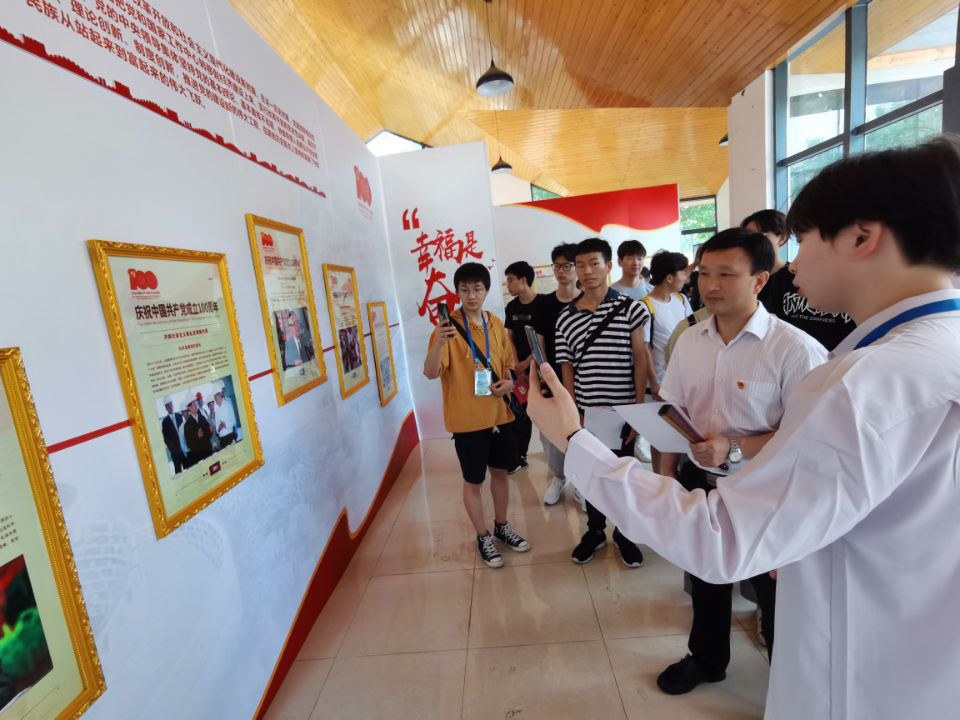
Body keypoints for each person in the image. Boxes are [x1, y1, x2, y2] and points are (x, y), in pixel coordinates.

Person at [527, 135, 960, 719]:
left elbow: (720, 538)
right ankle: (708, 658)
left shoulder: (863, 383)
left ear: (862, 237)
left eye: (802, 240)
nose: (791, 263)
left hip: (860, 683)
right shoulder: (928, 352)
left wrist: (573, 440)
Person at [656, 228, 827, 694]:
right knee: (706, 574)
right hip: (701, 482)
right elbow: (675, 410)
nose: (710, 285)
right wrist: (667, 474)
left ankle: (790, 682)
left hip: (766, 489)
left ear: (759, 280)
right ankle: (707, 659)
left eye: (726, 275)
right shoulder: (690, 341)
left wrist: (734, 447)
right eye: (704, 273)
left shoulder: (795, 349)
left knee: (775, 591)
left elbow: (811, 433)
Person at [424, 262, 530, 569]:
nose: (471, 295)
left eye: (478, 289)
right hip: (467, 420)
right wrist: (439, 342)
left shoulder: (495, 323)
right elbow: (430, 372)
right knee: (473, 481)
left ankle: (501, 526)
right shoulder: (446, 329)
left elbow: (508, 366)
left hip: (500, 415)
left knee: (501, 474)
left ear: (486, 291)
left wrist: (509, 382)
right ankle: (483, 535)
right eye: (465, 289)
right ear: (457, 292)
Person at [555, 238, 649, 568]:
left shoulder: (632, 308)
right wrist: (573, 413)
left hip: (623, 411)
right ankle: (595, 532)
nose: (587, 271)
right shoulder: (566, 317)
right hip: (588, 412)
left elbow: (640, 359)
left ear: (609, 266)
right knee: (591, 477)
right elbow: (566, 367)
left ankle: (624, 533)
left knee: (623, 477)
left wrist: (638, 411)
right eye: (580, 265)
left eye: (594, 263)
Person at [743, 209, 856, 351]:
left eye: (801, 241)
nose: (751, 243)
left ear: (782, 238)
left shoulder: (850, 291)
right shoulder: (775, 279)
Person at [535, 243, 580, 505]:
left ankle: (582, 482)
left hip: (583, 381)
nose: (561, 271)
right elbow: (539, 344)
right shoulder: (544, 304)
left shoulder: (586, 302)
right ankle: (559, 477)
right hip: (552, 380)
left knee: (581, 433)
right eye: (557, 266)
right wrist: (543, 377)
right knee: (551, 433)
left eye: (567, 265)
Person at [503, 261, 542, 469]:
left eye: (510, 280)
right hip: (519, 371)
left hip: (541, 369)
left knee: (546, 414)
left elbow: (545, 340)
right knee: (522, 414)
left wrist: (528, 363)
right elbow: (509, 338)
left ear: (523, 280)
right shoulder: (511, 307)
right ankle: (521, 455)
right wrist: (517, 365)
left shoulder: (543, 304)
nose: (507, 285)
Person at [642, 250, 693, 388]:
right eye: (683, 273)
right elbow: (644, 348)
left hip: (683, 378)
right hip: (660, 383)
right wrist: (655, 382)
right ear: (669, 278)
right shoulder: (644, 306)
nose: (685, 278)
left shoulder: (682, 300)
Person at [183, 398, 213, 466]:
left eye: (196, 403)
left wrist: (210, 431)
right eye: (194, 404)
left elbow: (209, 436)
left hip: (209, 452)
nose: (196, 405)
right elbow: (189, 444)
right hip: (199, 457)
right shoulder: (187, 425)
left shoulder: (202, 417)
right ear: (190, 408)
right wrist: (197, 437)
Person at [160, 398, 186, 473]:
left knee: (189, 468)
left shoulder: (179, 416)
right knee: (178, 472)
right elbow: (166, 439)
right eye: (168, 406)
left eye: (171, 404)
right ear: (166, 408)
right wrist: (174, 451)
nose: (170, 407)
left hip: (184, 450)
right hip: (175, 453)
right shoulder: (165, 422)